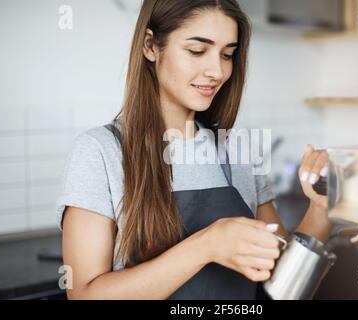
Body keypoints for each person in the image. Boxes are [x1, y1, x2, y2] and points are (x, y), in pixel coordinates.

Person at [56, 0, 332, 300]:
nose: (217, 71)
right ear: (150, 46)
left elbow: (283, 284)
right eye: (197, 51)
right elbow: (84, 295)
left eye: (227, 54)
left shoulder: (238, 151)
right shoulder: (100, 151)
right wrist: (206, 246)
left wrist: (321, 209)